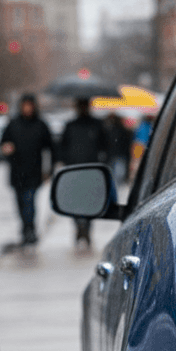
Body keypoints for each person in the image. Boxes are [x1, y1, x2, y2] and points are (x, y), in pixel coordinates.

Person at [0, 93, 54, 245]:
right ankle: (25, 228)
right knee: (20, 203)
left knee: (29, 202)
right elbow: (3, 143)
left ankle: (30, 230)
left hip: (34, 172)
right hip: (17, 172)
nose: (28, 108)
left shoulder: (41, 125)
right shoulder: (13, 124)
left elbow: (50, 148)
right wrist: (6, 149)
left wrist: (49, 170)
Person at [59, 97, 108, 244]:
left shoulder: (97, 125)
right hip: (75, 169)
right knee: (77, 201)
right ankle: (80, 226)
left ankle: (85, 227)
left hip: (90, 170)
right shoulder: (70, 126)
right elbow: (63, 146)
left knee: (88, 201)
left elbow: (105, 146)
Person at [103, 111, 133, 184]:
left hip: (115, 156)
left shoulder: (108, 131)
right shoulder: (124, 131)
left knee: (114, 177)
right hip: (119, 156)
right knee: (117, 178)